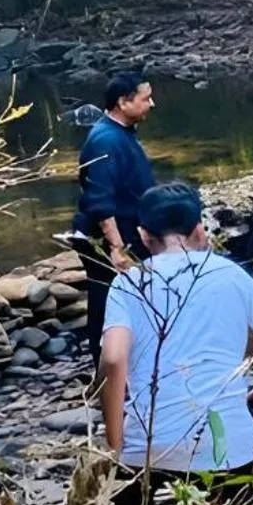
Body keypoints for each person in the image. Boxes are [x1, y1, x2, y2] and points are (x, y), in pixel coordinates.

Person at [100, 183, 253, 505]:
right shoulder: (229, 275)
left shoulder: (129, 283)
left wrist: (114, 438)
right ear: (200, 230)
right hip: (221, 440)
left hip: (150, 437)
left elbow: (113, 360)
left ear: (143, 236)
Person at [73, 73, 159, 365]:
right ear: (123, 102)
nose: (151, 104)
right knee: (108, 300)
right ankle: (107, 369)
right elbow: (99, 200)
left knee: (125, 300)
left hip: (127, 230)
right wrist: (117, 248)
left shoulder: (119, 134)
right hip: (109, 236)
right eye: (145, 98)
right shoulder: (106, 140)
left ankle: (130, 361)